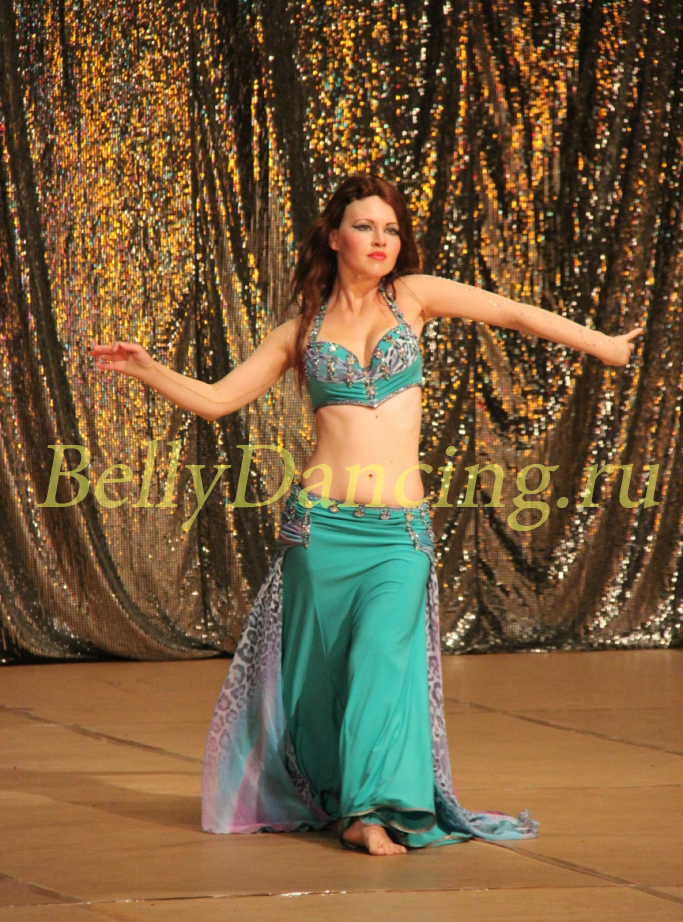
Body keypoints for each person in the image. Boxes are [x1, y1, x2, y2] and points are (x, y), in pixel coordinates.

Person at [94, 173, 640, 856]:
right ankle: (343, 800)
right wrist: (149, 370)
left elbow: (513, 313)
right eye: (364, 227)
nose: (380, 240)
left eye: (390, 229)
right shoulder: (300, 332)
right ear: (334, 237)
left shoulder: (413, 297)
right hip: (320, 532)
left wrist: (602, 345)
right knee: (322, 686)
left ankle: (369, 812)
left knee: (382, 663)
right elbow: (217, 400)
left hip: (397, 536)